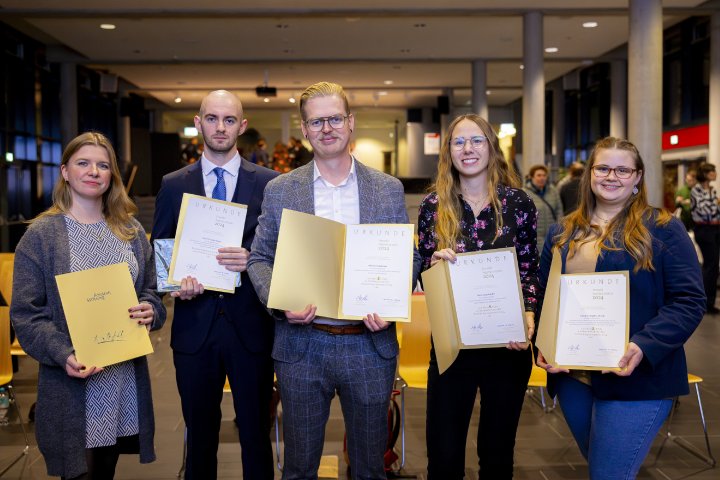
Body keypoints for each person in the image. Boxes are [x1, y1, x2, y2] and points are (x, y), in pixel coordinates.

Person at [247, 81, 421, 479]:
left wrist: (392, 299)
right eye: (317, 121)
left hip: (368, 345)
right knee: (299, 467)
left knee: (368, 468)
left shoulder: (387, 189)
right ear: (304, 130)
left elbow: (405, 254)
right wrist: (279, 301)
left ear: (351, 122)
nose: (327, 128)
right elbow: (259, 259)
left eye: (335, 118)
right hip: (302, 347)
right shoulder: (280, 190)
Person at [536, 137, 705, 479]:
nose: (611, 176)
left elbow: (689, 300)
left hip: (637, 376)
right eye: (603, 167)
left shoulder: (662, 229)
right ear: (590, 174)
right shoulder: (563, 232)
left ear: (638, 177)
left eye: (623, 169)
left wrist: (643, 345)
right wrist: (543, 343)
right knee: (605, 467)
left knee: (609, 473)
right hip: (573, 378)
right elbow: (544, 296)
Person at [11, 132, 166, 479]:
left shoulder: (131, 230)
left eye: (103, 165)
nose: (93, 171)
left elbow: (152, 292)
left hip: (122, 377)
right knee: (79, 472)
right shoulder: (41, 235)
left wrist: (150, 309)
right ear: (65, 171)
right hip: (73, 382)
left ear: (112, 175)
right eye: (83, 163)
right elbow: (26, 312)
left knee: (105, 470)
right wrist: (62, 353)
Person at [151, 90, 279, 479]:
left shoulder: (271, 183)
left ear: (241, 125)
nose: (220, 127)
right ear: (198, 122)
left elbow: (281, 253)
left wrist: (252, 258)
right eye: (212, 118)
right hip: (195, 329)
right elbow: (163, 248)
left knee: (256, 436)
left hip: (252, 329)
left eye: (228, 120)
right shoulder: (174, 184)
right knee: (200, 437)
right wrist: (174, 285)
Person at [417, 114, 539, 479]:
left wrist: (529, 314)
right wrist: (432, 267)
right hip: (453, 344)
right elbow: (423, 270)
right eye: (458, 142)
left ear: (491, 147)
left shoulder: (519, 203)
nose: (467, 149)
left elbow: (530, 268)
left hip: (508, 343)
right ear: (448, 151)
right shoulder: (433, 206)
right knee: (444, 452)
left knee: (498, 452)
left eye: (476, 141)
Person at [690, 163, 720, 313]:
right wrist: (715, 206)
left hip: (715, 228)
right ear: (705, 173)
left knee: (713, 265)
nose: (715, 173)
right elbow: (705, 210)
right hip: (703, 229)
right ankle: (704, 302)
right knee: (710, 265)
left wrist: (714, 206)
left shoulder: (712, 190)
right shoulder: (696, 190)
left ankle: (710, 302)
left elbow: (714, 209)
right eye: (712, 171)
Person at [523, 164, 563, 252]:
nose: (542, 178)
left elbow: (559, 211)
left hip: (552, 236)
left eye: (544, 175)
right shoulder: (524, 193)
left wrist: (558, 230)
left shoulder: (553, 191)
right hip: (534, 237)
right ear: (531, 177)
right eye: (539, 175)